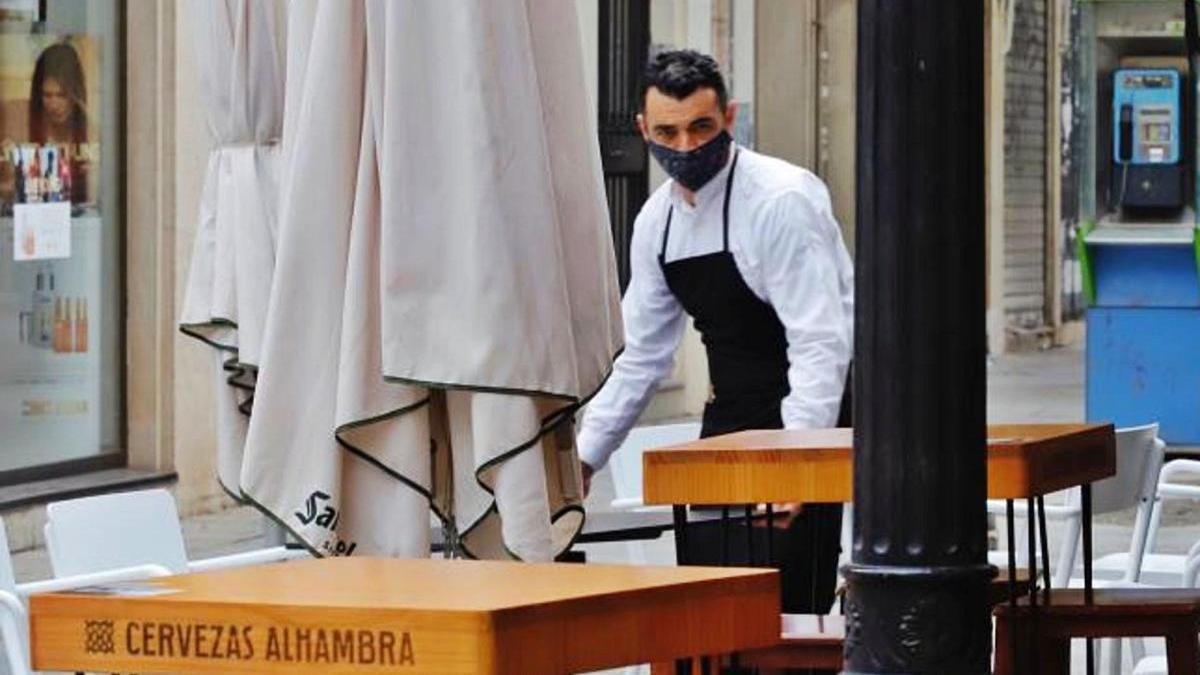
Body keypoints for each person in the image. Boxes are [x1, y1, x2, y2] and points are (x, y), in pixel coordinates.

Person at [576, 49, 854, 616]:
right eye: (667, 132)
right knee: (710, 612)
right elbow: (641, 355)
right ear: (642, 130)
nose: (684, 147)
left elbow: (820, 342)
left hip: (811, 419)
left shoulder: (781, 200)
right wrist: (585, 457)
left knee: (791, 614)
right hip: (728, 423)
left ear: (728, 117)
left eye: (700, 128)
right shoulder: (656, 221)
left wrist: (798, 463)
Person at [28, 41, 90, 203]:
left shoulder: (92, 131)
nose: (54, 105)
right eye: (47, 95)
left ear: (75, 94)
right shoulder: (22, 126)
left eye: (62, 95)